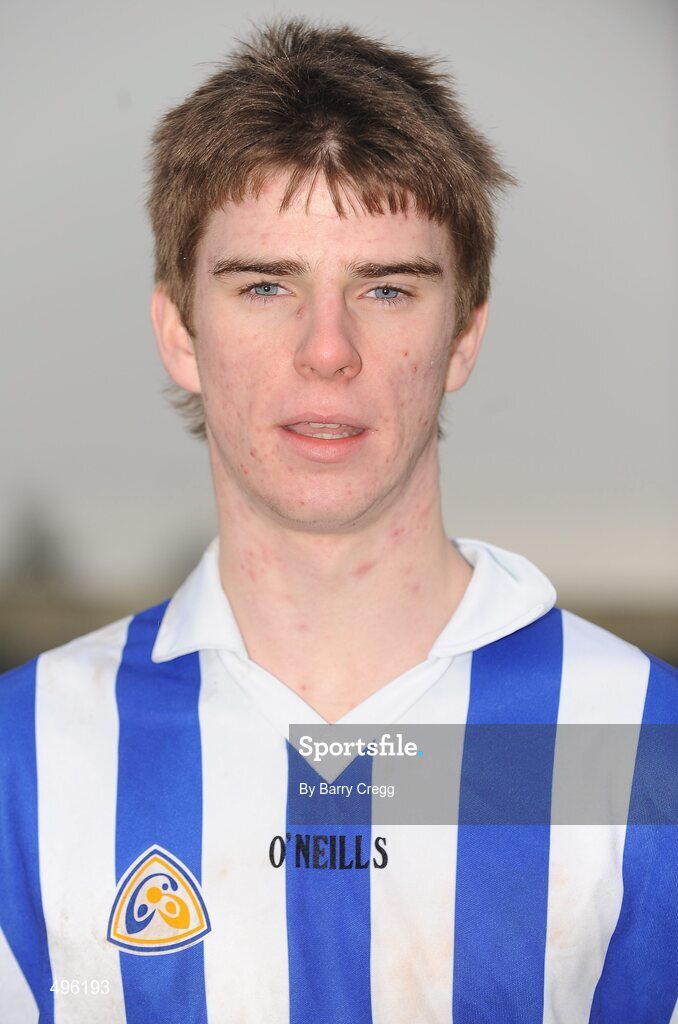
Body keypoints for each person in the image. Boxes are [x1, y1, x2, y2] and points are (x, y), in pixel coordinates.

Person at [0, 18, 676, 1024]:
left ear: (463, 337)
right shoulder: (28, 757)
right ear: (180, 333)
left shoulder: (638, 750)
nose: (328, 350)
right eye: (267, 284)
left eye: (388, 287)